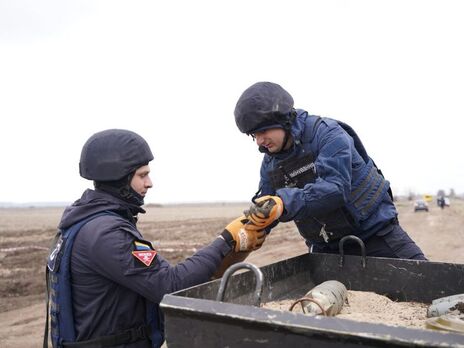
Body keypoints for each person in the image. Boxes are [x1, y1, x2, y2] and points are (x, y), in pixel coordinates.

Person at [44, 129, 275, 348]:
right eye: (142, 175)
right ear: (119, 178)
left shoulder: (87, 223)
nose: (149, 183)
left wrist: (233, 249)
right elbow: (170, 284)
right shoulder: (106, 234)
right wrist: (225, 240)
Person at [234, 81, 427, 260]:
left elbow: (335, 189)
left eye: (263, 131)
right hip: (325, 250)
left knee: (434, 286)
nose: (259, 141)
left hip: (377, 237)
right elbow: (267, 207)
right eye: (253, 135)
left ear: (283, 121)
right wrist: (246, 231)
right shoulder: (270, 163)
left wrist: (284, 202)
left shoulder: (329, 134)